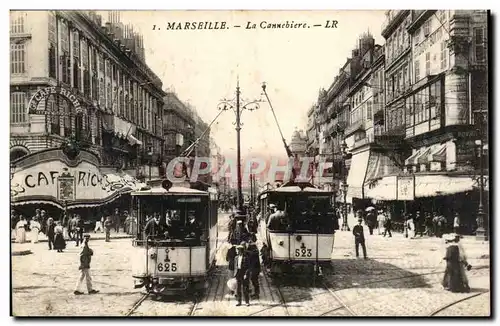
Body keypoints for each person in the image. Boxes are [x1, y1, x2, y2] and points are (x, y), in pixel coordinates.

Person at [247, 235, 261, 299]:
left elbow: (253, 254)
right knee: (253, 280)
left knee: (254, 280)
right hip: (254, 268)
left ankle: (257, 294)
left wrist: (246, 251)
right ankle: (256, 293)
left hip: (255, 268)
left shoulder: (254, 248)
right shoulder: (253, 247)